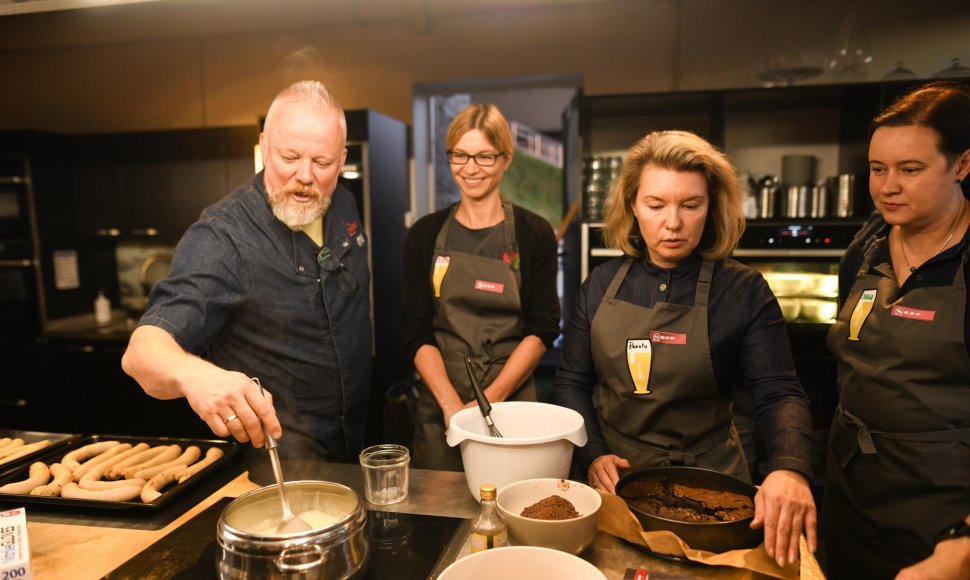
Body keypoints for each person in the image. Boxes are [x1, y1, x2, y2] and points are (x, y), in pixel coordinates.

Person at [554, 130, 817, 567]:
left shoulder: (742, 291)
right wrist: (593, 452)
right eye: (656, 205)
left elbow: (779, 392)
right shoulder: (599, 286)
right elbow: (572, 384)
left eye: (690, 205)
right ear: (633, 206)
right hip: (620, 487)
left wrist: (789, 466)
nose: (672, 223)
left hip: (714, 491)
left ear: (711, 207)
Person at [121, 80, 372, 462]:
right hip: (274, 463)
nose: (305, 176)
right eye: (290, 157)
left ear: (340, 161)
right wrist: (197, 376)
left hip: (352, 442)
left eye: (321, 163)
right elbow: (141, 354)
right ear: (265, 149)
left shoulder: (345, 204)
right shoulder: (222, 237)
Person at [822, 81, 970, 580]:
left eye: (910, 170)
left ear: (963, 165)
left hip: (940, 524)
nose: (888, 187)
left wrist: (965, 546)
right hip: (848, 502)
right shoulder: (866, 248)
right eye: (877, 169)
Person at [400, 103, 560, 471]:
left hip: (512, 401)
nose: (471, 169)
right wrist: (451, 407)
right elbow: (414, 330)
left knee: (515, 505)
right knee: (441, 513)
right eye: (460, 155)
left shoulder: (533, 234)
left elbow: (543, 327)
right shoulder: (424, 235)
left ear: (506, 159)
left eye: (485, 157)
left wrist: (492, 399)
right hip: (442, 403)